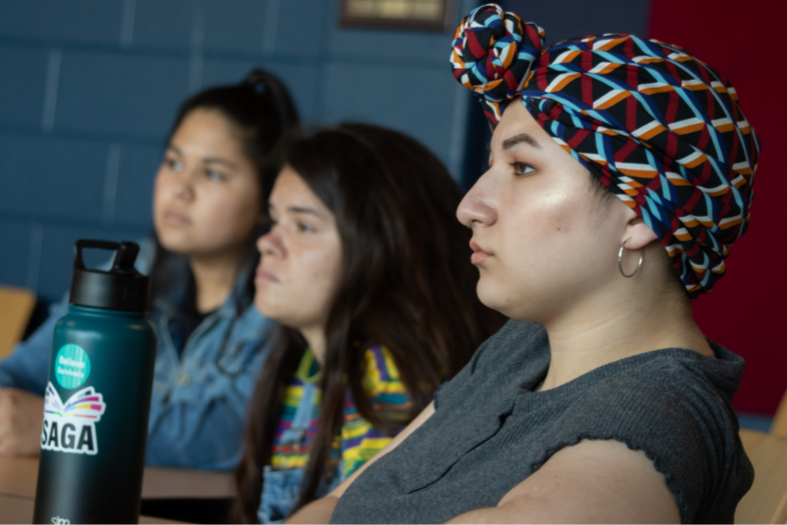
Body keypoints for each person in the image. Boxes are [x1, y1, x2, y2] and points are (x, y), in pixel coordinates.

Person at [286, 4, 761, 523]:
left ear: (639, 215)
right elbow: (336, 505)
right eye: (493, 165)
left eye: (522, 167)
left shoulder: (654, 416)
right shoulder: (518, 350)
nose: (469, 206)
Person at [0, 69, 299, 470]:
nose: (181, 188)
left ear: (269, 197)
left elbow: (224, 436)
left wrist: (56, 421)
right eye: (174, 162)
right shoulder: (133, 264)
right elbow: (27, 370)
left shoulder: (279, 292)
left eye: (212, 173)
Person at [230, 123, 504, 523]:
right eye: (273, 220)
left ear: (382, 247)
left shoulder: (386, 374)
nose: (266, 243)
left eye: (303, 226)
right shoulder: (302, 365)